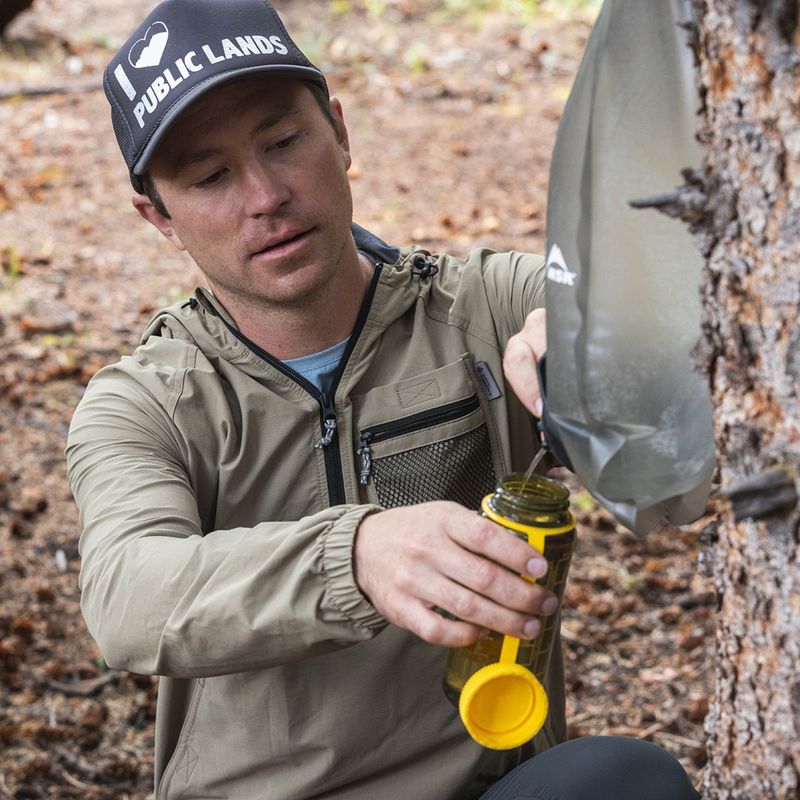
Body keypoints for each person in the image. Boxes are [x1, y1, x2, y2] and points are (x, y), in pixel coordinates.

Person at [67, 1, 701, 798]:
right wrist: (357, 557)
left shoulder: (483, 310)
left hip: (485, 782)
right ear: (157, 215)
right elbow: (128, 596)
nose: (266, 195)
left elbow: (681, 329)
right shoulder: (147, 403)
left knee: (624, 782)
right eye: (210, 176)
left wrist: (603, 346)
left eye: (284, 141)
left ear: (338, 130)